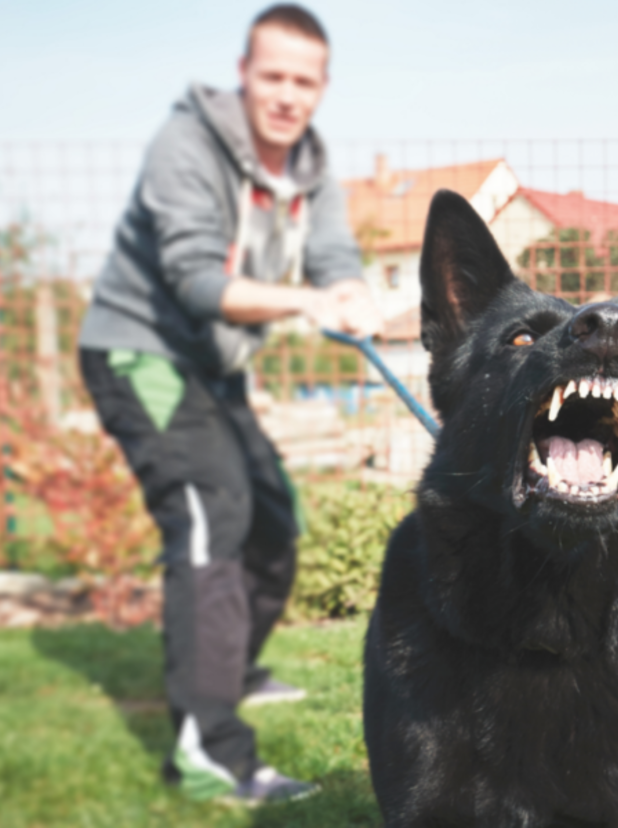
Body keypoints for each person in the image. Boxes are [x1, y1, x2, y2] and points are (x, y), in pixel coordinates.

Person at [77, 4, 382, 805]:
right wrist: (303, 304)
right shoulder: (186, 146)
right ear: (244, 73)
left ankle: (231, 663)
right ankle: (210, 750)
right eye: (273, 76)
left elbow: (333, 255)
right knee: (213, 508)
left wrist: (347, 291)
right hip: (140, 350)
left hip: (211, 370)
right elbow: (194, 281)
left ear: (322, 88)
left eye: (303, 81)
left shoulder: (311, 168)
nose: (287, 95)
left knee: (275, 518)